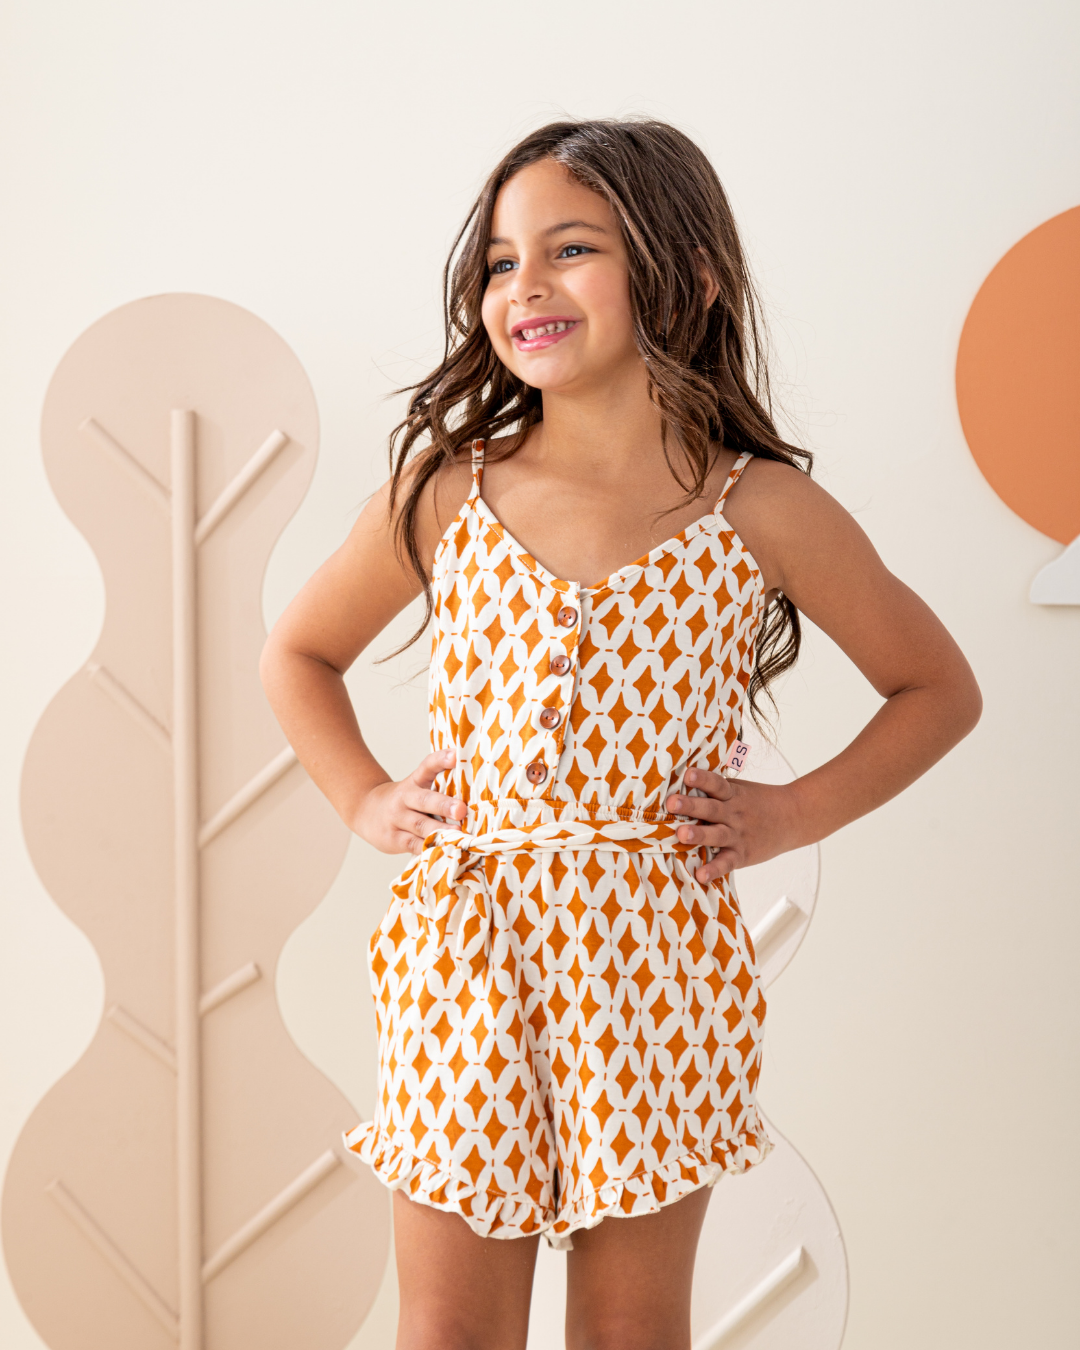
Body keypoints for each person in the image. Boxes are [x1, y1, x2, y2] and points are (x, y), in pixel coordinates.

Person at [260, 119, 981, 1350]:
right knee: (447, 1330)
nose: (525, 286)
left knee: (632, 1330)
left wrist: (788, 815)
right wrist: (364, 798)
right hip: (463, 956)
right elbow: (298, 653)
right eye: (500, 262)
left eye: (571, 249)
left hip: (656, 963)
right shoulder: (447, 492)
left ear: (689, 278)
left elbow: (936, 688)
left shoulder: (760, 507)